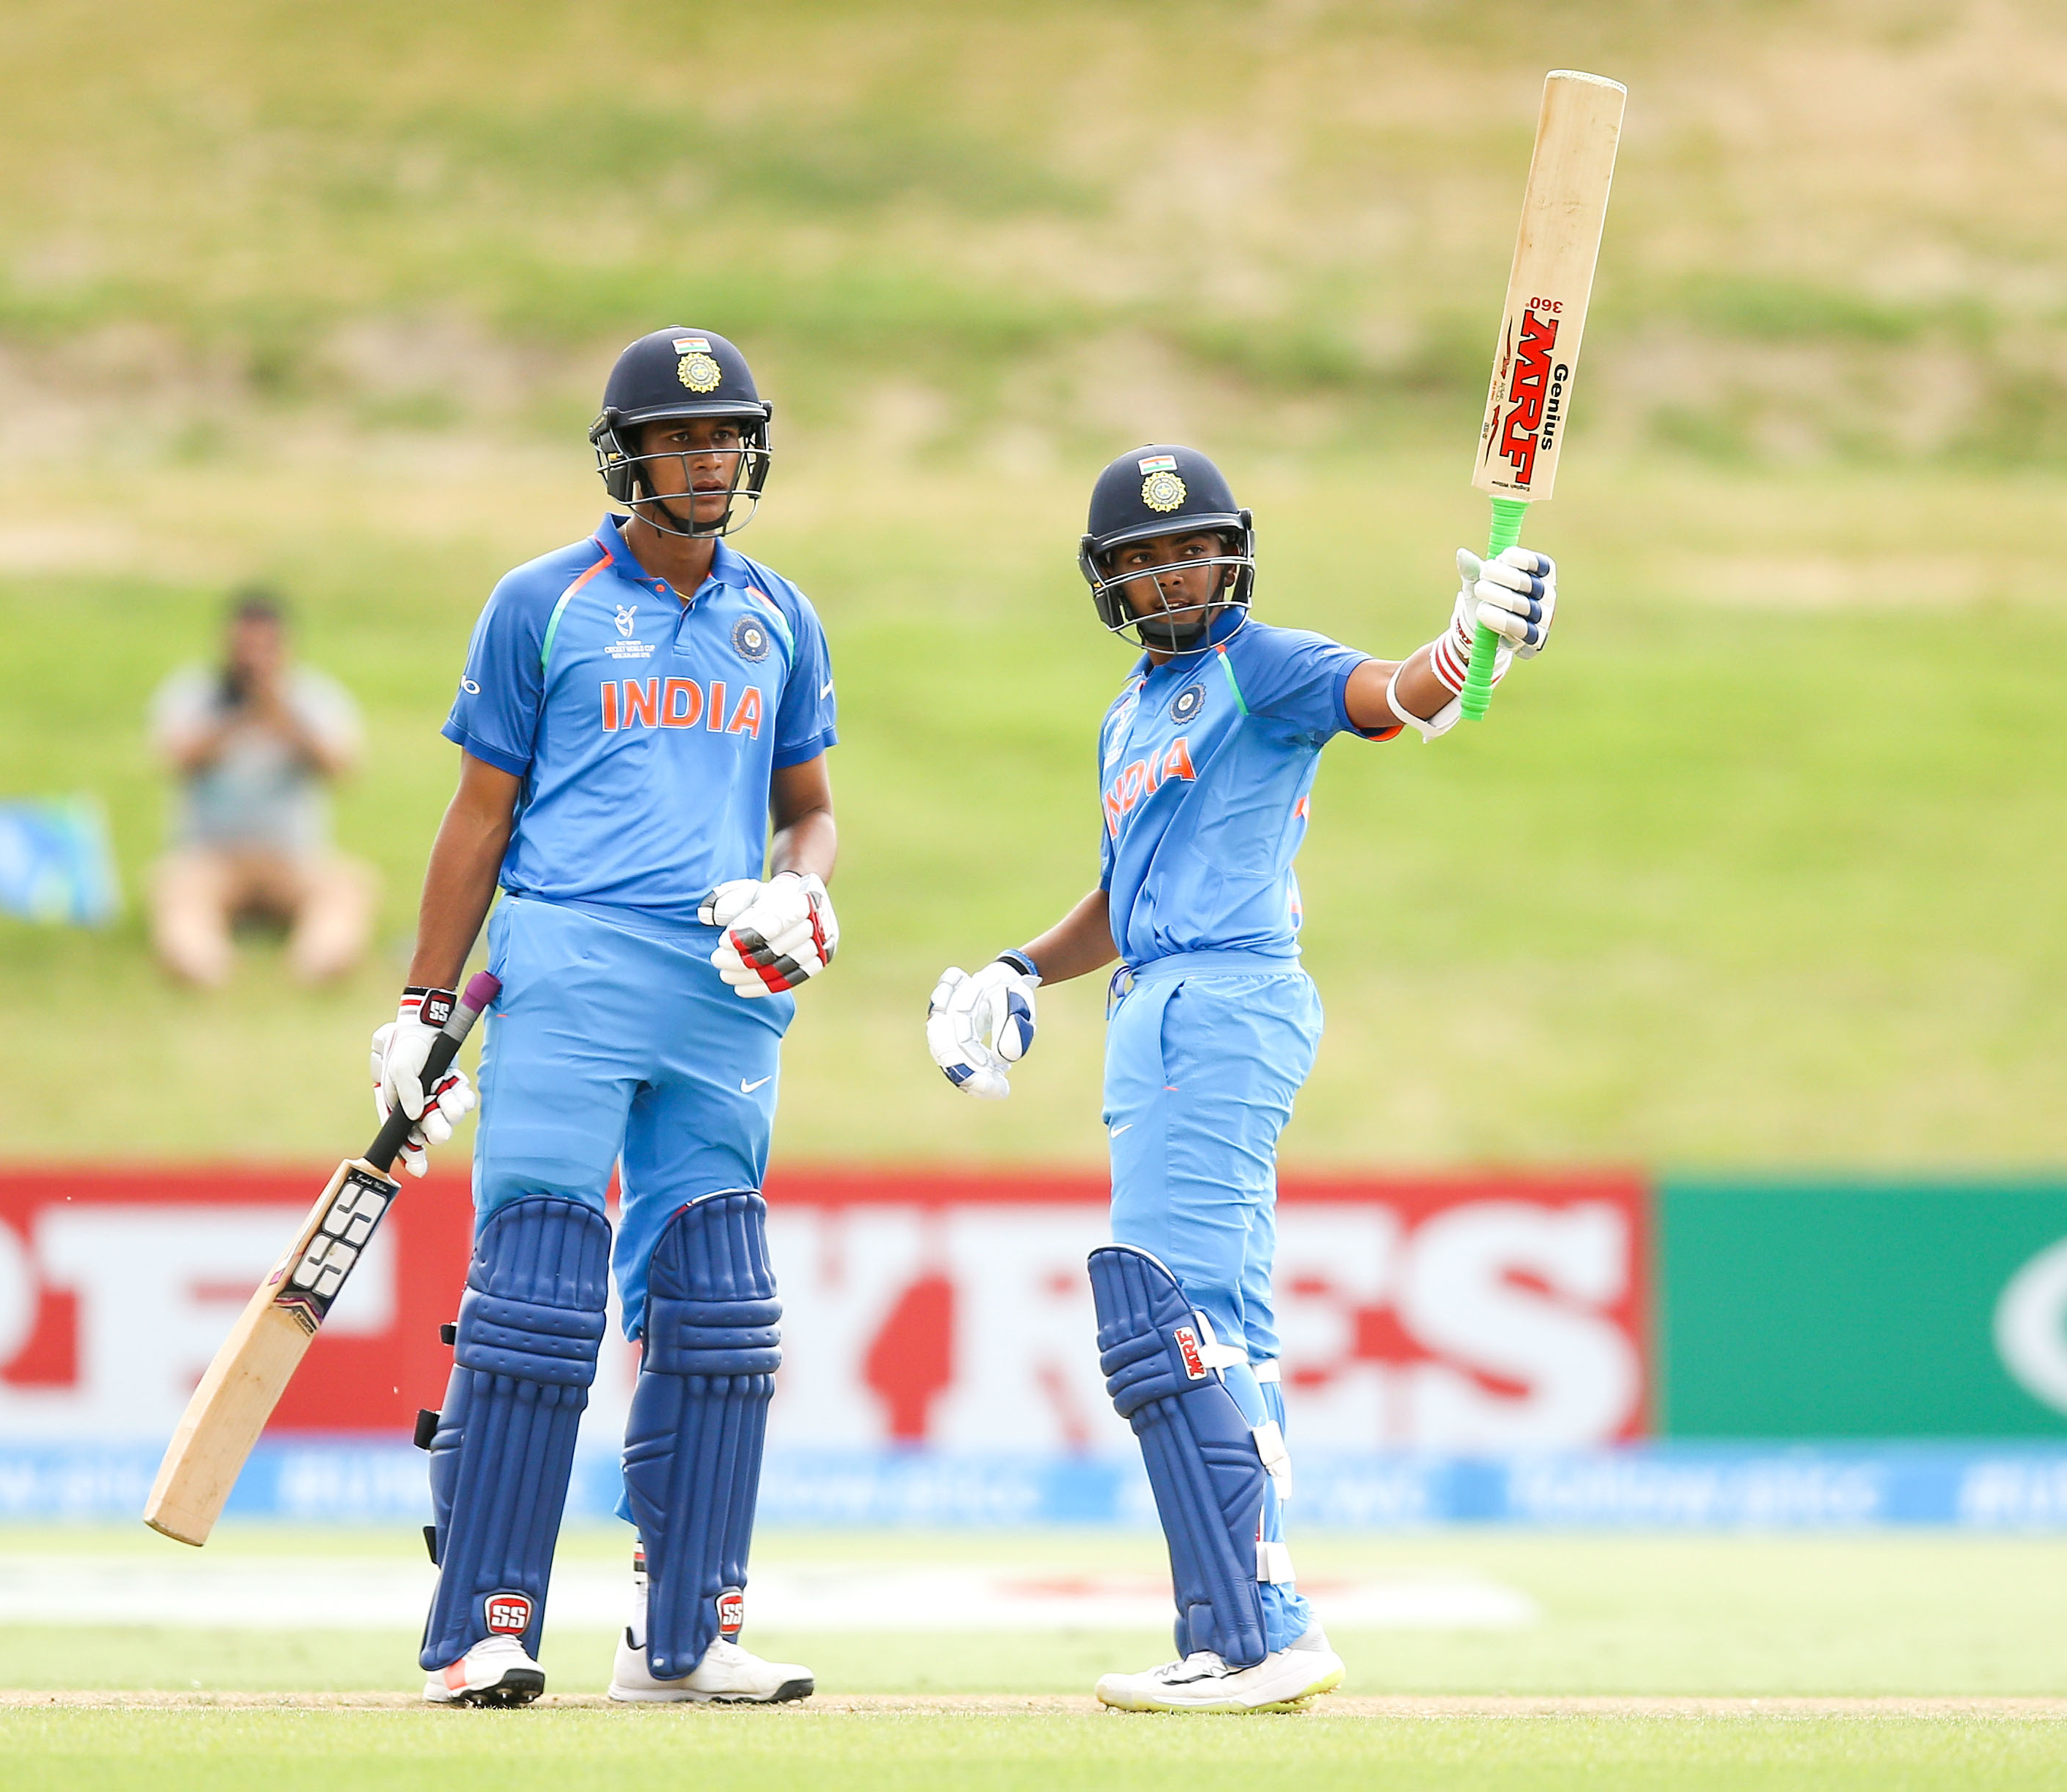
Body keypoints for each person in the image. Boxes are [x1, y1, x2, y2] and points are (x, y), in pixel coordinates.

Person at [923, 445, 1561, 1713]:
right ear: (1108, 580)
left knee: (1177, 1317)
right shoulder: (1126, 714)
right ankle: (1240, 1625)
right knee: (1205, 1321)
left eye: (1193, 549)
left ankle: (1258, 1632)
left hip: (1221, 997)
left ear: (1233, 554)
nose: (1173, 574)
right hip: (1156, 1000)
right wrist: (1018, 966)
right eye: (1145, 558)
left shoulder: (1259, 666)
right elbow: (1125, 892)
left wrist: (1468, 638)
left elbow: (1392, 696)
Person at [369, 327, 839, 1709]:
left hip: (726, 986)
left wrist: (800, 890)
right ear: (624, 455)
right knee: (537, 1295)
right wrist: (423, 1005)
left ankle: (683, 1638)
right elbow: (478, 816)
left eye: (723, 436)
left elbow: (807, 809)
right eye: (676, 438)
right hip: (569, 965)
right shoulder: (542, 601)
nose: (704, 458)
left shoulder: (782, 615)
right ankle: (483, 1627)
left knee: (720, 1308)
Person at [147, 589, 376, 985]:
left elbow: (343, 770)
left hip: (292, 857)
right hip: (211, 857)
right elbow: (172, 760)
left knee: (347, 887)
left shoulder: (313, 698)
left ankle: (318, 966)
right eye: (244, 648)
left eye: (266, 648)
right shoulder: (195, 694)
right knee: (176, 892)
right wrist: (235, 718)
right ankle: (203, 968)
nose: (253, 661)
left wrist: (281, 716)